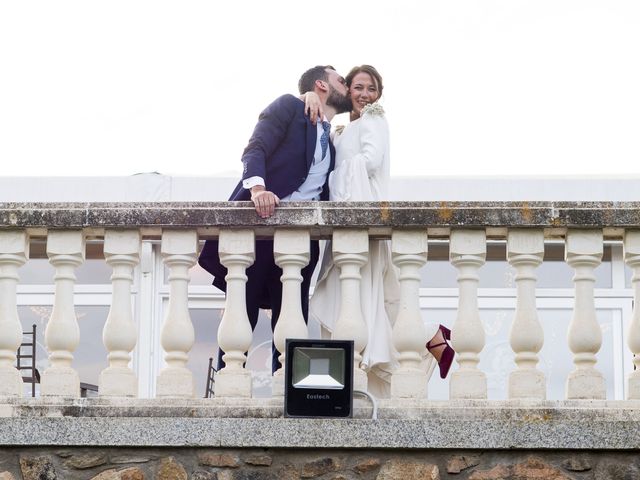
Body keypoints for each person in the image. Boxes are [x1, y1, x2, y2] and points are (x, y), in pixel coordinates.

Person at [306, 65, 454, 398]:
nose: (363, 94)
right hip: (347, 219)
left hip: (363, 214)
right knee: (370, 301)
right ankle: (432, 338)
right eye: (357, 87)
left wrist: (335, 180)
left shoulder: (374, 120)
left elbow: (370, 162)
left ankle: (418, 344)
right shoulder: (342, 130)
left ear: (378, 94)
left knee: (362, 299)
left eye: (370, 89)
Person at [198, 65, 352, 374]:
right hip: (260, 227)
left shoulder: (332, 137)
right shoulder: (290, 107)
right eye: (342, 81)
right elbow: (256, 147)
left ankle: (284, 395)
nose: (347, 87)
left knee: (293, 317)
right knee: (243, 311)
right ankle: (225, 390)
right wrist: (258, 189)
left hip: (302, 238)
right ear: (321, 84)